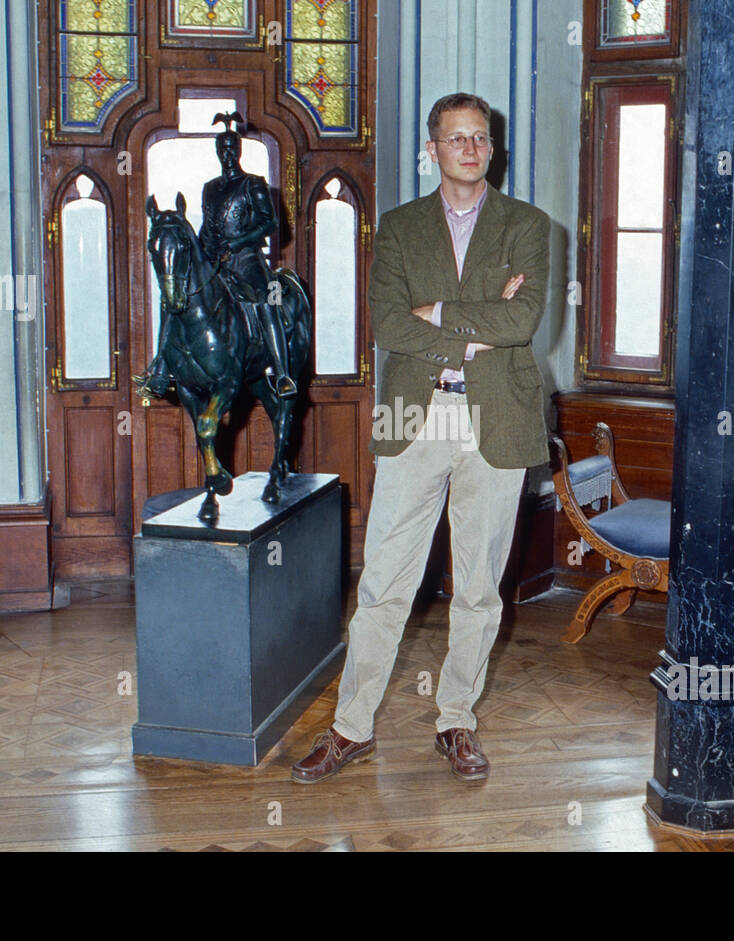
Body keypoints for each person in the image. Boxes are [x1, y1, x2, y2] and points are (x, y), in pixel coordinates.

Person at [292, 93, 551, 784]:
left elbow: (522, 320)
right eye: (455, 137)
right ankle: (351, 728)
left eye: (480, 138)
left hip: (498, 420)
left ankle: (456, 719)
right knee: (381, 583)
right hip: (413, 415)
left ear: (491, 149)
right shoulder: (400, 228)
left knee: (479, 588)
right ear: (432, 149)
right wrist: (476, 328)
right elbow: (385, 325)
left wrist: (437, 314)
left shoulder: (530, 226)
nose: (469, 147)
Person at [136, 113, 296, 401]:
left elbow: (269, 223)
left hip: (247, 259)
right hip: (216, 260)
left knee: (266, 300)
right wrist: (197, 250)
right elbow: (208, 226)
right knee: (175, 298)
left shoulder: (254, 184)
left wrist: (238, 242)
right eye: (222, 149)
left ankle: (282, 372)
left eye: (231, 148)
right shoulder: (210, 188)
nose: (227, 154)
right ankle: (160, 364)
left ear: (238, 150)